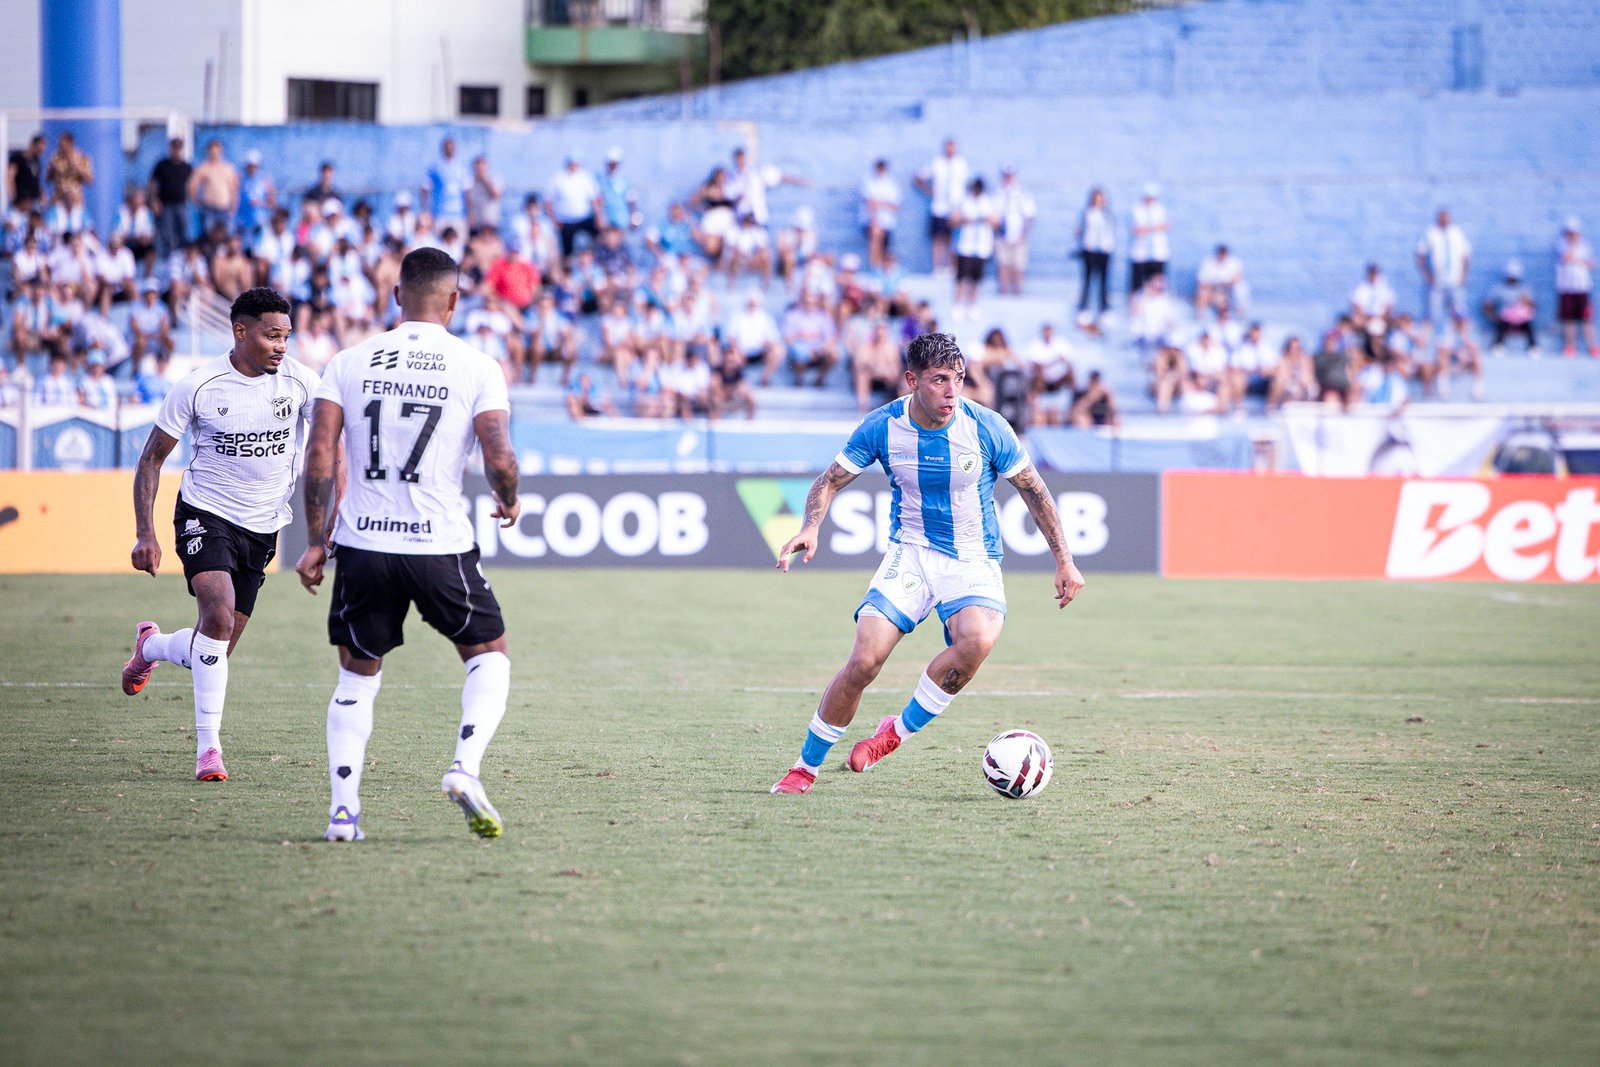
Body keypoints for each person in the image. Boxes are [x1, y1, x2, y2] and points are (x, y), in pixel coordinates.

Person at [768, 332, 1084, 795]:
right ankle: (803, 769)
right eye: (939, 380)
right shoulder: (883, 425)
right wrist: (811, 526)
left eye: (958, 378)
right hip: (910, 553)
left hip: (973, 557)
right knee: (863, 663)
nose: (952, 390)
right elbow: (830, 479)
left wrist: (1065, 561)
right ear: (912, 380)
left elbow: (1034, 489)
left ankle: (892, 735)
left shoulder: (987, 426)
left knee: (975, 643)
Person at [293, 247, 521, 842]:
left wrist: (316, 539)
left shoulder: (347, 362)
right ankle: (465, 769)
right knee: (488, 655)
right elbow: (498, 454)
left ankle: (343, 813)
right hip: (439, 542)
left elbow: (319, 455)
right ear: (453, 300)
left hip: (363, 544)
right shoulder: (478, 365)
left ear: (397, 296)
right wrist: (509, 498)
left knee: (356, 677)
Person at [120, 288, 318, 783]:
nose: (281, 346)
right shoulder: (199, 385)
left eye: (287, 337)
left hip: (264, 524)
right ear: (240, 331)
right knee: (218, 614)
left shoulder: (300, 383)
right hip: (205, 513)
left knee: (215, 649)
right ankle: (209, 751)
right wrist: (145, 531)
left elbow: (334, 438)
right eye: (272, 335)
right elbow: (151, 459)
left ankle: (153, 647)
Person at [913, 137, 970, 275]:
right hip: (939, 207)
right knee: (938, 238)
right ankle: (938, 267)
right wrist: (929, 191)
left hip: (955, 208)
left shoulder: (961, 164)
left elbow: (966, 184)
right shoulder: (937, 163)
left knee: (952, 238)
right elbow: (918, 178)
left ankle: (951, 267)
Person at [1415, 207, 1472, 340]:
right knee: (1432, 313)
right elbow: (1420, 253)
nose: (1445, 220)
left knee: (1459, 313)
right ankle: (1428, 340)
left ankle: (1461, 342)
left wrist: (1464, 274)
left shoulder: (1456, 233)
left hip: (1455, 281)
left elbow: (1466, 254)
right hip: (1437, 282)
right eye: (1442, 217)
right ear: (1438, 218)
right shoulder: (1430, 233)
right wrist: (1426, 274)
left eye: (1447, 217)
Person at [1555, 217, 1597, 358]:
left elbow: (1591, 264)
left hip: (1582, 288)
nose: (1572, 235)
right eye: (1570, 233)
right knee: (1569, 319)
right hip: (1566, 288)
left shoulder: (1585, 246)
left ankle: (1592, 346)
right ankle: (1570, 346)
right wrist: (1577, 255)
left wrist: (1582, 261)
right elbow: (1567, 258)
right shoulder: (1560, 245)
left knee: (1587, 318)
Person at [994, 165, 1037, 296]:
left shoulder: (1022, 194)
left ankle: (1018, 291)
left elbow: (1029, 216)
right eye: (1006, 176)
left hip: (1018, 235)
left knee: (1018, 265)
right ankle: (1003, 291)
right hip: (1001, 235)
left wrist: (1023, 234)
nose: (1008, 178)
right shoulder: (997, 193)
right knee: (1003, 263)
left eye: (1010, 175)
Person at [1482, 260, 1539, 357]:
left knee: (1529, 325)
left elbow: (1533, 306)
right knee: (1502, 324)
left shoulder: (1524, 289)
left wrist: (1526, 301)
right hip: (1504, 320)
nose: (1512, 278)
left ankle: (1533, 347)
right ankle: (1498, 345)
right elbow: (1487, 305)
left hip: (1521, 320)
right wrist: (1493, 317)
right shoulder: (1498, 288)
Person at [1075, 187, 1115, 325]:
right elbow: (1081, 230)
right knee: (1087, 280)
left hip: (1104, 250)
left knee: (1104, 281)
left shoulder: (1108, 214)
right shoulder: (1087, 213)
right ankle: (1084, 308)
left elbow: (1109, 232)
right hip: (1090, 249)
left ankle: (1104, 309)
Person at [148, 138, 192, 260]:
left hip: (181, 205)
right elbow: (152, 184)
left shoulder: (186, 167)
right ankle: (167, 261)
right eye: (174, 148)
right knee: (166, 235)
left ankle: (183, 260)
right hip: (166, 206)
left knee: (183, 233)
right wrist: (154, 201)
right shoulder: (162, 165)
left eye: (178, 148)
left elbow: (193, 185)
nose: (176, 151)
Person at [188, 139, 240, 240]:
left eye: (217, 152)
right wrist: (197, 202)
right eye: (212, 152)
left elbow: (234, 188)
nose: (215, 155)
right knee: (208, 237)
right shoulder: (203, 168)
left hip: (225, 210)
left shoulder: (228, 168)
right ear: (208, 152)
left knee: (228, 237)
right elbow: (192, 186)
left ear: (221, 152)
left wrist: (234, 205)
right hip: (209, 210)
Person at [1129, 182, 1170, 295]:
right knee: (1137, 285)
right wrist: (1154, 228)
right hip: (1140, 252)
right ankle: (1135, 309)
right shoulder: (1137, 210)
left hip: (1158, 252)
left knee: (1158, 284)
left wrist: (1148, 229)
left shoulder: (1160, 209)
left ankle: (1155, 307)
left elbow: (1166, 226)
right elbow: (1136, 229)